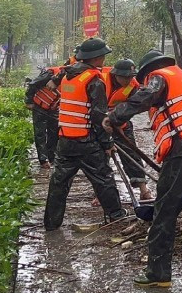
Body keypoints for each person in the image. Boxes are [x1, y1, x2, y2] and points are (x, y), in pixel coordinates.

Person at [107, 49, 182, 288]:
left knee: (165, 213)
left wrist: (114, 117)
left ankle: (159, 274)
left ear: (147, 71)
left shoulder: (159, 76)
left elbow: (145, 96)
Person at [43, 38, 126, 230]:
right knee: (103, 179)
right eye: (103, 56)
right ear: (96, 58)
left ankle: (51, 224)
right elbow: (99, 116)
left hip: (65, 140)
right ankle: (116, 216)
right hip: (87, 142)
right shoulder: (94, 80)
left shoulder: (68, 76)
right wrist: (107, 144)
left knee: (58, 184)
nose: (104, 59)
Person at [104, 58, 153, 201]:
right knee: (101, 157)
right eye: (125, 77)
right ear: (116, 74)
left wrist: (118, 125)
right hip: (99, 123)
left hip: (120, 123)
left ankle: (143, 190)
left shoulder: (134, 87)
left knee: (131, 153)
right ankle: (101, 194)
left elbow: (131, 108)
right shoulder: (100, 80)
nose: (128, 80)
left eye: (130, 77)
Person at [25, 57, 69, 169]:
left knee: (53, 134)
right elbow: (33, 84)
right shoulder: (51, 74)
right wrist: (29, 101)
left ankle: (52, 157)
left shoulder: (73, 79)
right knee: (40, 134)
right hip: (39, 107)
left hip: (53, 109)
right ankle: (43, 160)